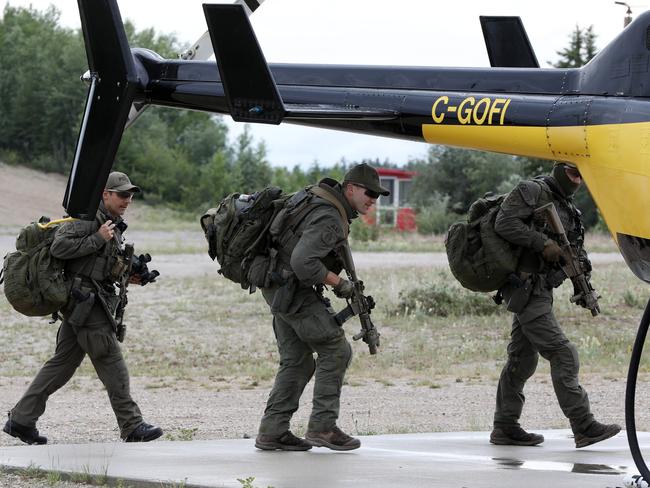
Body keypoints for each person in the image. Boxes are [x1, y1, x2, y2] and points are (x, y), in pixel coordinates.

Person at [3, 171, 163, 445]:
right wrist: (98, 238)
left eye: (131, 195)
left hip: (83, 304)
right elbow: (60, 248)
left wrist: (131, 275)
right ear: (105, 194)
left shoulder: (108, 223)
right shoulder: (87, 221)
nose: (128, 200)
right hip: (87, 306)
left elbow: (96, 263)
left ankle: (21, 420)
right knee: (111, 362)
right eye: (122, 194)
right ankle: (132, 425)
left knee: (61, 365)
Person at [254, 163, 389, 452]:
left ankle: (272, 431)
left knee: (298, 360)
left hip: (276, 285)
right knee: (337, 349)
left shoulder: (318, 198)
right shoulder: (329, 215)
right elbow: (303, 262)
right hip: (292, 289)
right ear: (350, 188)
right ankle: (323, 428)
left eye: (377, 196)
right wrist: (340, 284)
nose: (372, 200)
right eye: (369, 193)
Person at [489, 162, 621, 448]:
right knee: (563, 353)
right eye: (573, 173)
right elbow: (504, 222)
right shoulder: (531, 190)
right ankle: (583, 425)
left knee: (522, 360)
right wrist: (541, 243)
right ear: (559, 169)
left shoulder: (569, 208)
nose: (577, 180)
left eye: (582, 175)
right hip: (526, 288)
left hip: (541, 290)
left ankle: (505, 426)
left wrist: (580, 275)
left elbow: (573, 249)